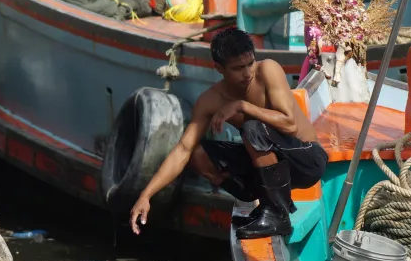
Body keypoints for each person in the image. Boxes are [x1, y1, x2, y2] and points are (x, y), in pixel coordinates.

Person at [128, 28, 328, 239]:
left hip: (307, 160)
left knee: (253, 128)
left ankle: (277, 214)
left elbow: (289, 125)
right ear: (219, 68)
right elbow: (183, 150)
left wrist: (243, 106)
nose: (247, 73)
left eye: (250, 63)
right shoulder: (211, 99)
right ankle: (265, 204)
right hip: (271, 170)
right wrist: (146, 195)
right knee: (197, 153)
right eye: (238, 68)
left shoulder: (268, 70)